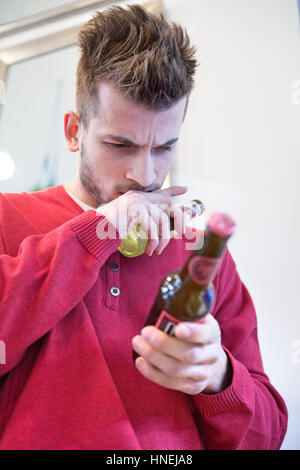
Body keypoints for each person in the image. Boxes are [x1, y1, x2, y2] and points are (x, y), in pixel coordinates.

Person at [0, 5, 287, 450]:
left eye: (164, 147)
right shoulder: (7, 218)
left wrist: (218, 377)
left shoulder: (202, 254)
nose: (144, 174)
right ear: (75, 131)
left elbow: (268, 436)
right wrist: (97, 231)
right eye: (120, 144)